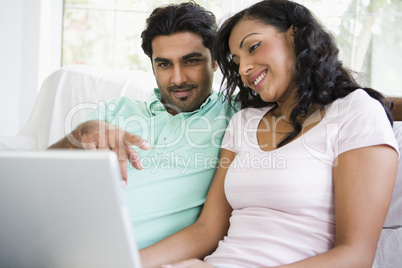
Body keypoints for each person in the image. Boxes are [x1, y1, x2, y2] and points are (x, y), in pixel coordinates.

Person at [139, 0, 399, 267]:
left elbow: (355, 256)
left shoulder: (356, 112)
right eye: (236, 61)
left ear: (295, 34)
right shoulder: (244, 121)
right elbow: (206, 230)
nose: (243, 69)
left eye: (253, 47)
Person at [49, 2, 237, 249]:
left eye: (191, 61)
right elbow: (41, 178)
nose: (178, 78)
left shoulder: (236, 114)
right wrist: (78, 135)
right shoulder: (114, 110)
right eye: (164, 64)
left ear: (215, 61)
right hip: (62, 241)